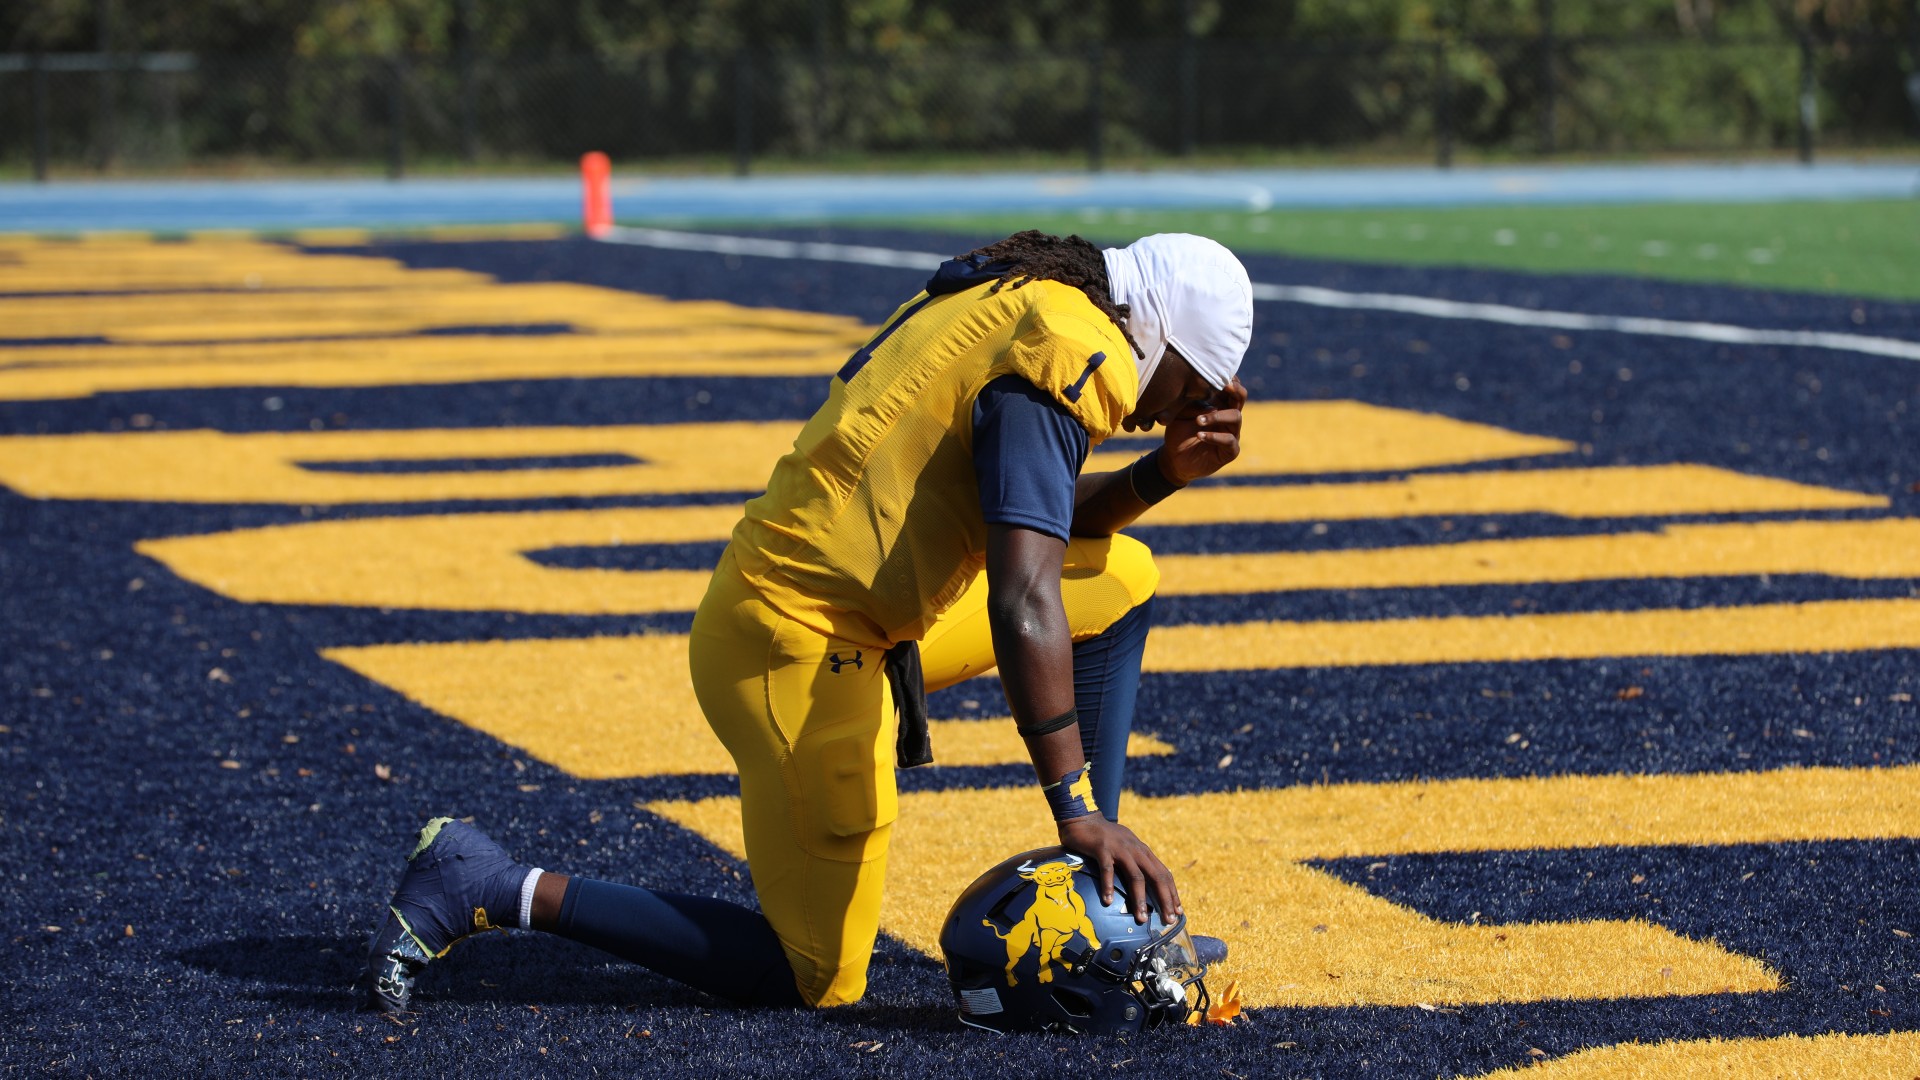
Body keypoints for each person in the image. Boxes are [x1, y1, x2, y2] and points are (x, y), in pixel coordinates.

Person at [367, 229, 1255, 1014]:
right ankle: (491, 882)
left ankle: (1097, 908)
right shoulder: (1072, 350)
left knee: (1120, 578)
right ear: (1161, 338)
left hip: (858, 615)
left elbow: (1047, 530)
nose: (1172, 411)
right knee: (817, 977)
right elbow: (1022, 597)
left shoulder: (1030, 297)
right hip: (795, 643)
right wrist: (1078, 809)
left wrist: (1166, 472)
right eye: (1189, 391)